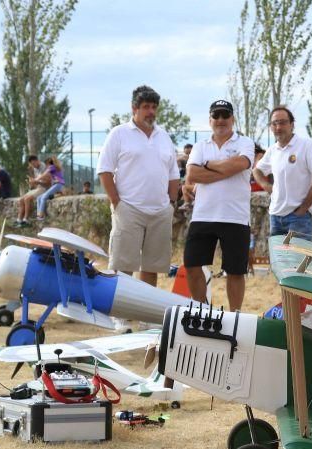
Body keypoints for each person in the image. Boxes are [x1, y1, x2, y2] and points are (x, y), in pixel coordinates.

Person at [97, 85, 179, 305]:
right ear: (134, 108)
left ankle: (145, 311)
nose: (150, 111)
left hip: (160, 210)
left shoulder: (164, 137)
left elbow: (174, 174)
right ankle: (119, 315)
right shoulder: (119, 134)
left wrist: (170, 203)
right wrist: (117, 202)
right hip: (129, 209)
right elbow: (104, 170)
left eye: (154, 107)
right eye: (146, 107)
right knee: (122, 266)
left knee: (152, 267)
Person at [181, 99, 255, 311]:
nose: (221, 120)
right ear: (210, 119)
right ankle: (203, 310)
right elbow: (193, 174)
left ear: (232, 118)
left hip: (235, 217)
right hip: (203, 215)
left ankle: (235, 315)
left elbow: (241, 164)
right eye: (216, 115)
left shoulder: (245, 143)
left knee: (235, 271)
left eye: (225, 115)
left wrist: (209, 166)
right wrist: (225, 170)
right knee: (192, 265)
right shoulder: (200, 146)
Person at [252, 106, 312, 240]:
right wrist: (266, 186)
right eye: (274, 123)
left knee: (298, 261)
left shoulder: (306, 145)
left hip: (299, 218)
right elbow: (256, 170)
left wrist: (303, 209)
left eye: (282, 122)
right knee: (279, 261)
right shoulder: (272, 150)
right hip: (275, 217)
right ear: (271, 127)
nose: (278, 127)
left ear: (292, 124)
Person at [16, 156, 48, 226]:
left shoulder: (44, 168)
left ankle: (26, 219)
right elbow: (36, 182)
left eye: (34, 164)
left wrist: (36, 182)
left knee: (27, 199)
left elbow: (47, 183)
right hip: (38, 188)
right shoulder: (35, 169)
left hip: (44, 188)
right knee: (21, 199)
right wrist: (32, 183)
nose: (33, 166)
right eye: (32, 164)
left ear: (37, 161)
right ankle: (19, 220)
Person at [36, 155, 65, 220]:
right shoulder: (54, 168)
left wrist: (36, 180)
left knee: (43, 197)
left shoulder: (52, 166)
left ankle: (41, 215)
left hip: (58, 184)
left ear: (48, 163)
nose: (46, 167)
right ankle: (38, 214)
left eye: (46, 165)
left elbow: (44, 174)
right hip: (56, 185)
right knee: (39, 198)